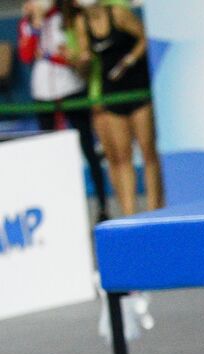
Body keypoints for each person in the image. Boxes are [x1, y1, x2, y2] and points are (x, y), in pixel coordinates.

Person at [17, 0, 108, 220]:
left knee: (87, 147)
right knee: (46, 151)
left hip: (71, 88)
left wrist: (60, 56)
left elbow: (77, 57)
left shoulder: (68, 18)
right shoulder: (27, 23)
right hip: (43, 92)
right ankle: (52, 209)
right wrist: (36, 25)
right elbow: (27, 55)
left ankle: (102, 205)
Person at [75, 0, 161, 215]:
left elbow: (144, 38)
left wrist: (130, 60)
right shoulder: (81, 23)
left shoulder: (118, 14)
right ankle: (129, 213)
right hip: (111, 93)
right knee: (122, 156)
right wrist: (81, 60)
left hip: (137, 89)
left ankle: (154, 209)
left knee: (148, 150)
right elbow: (84, 61)